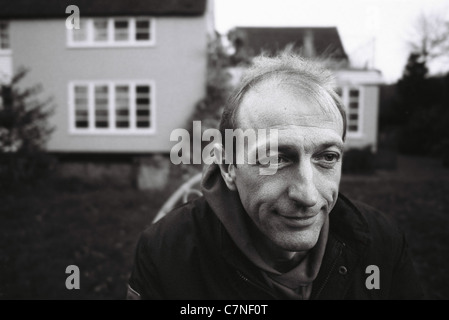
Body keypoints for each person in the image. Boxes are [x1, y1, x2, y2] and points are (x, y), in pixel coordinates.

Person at [127, 53, 424, 300]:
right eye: (275, 158)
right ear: (229, 166)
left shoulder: (382, 242)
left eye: (327, 157)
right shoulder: (165, 254)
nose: (308, 196)